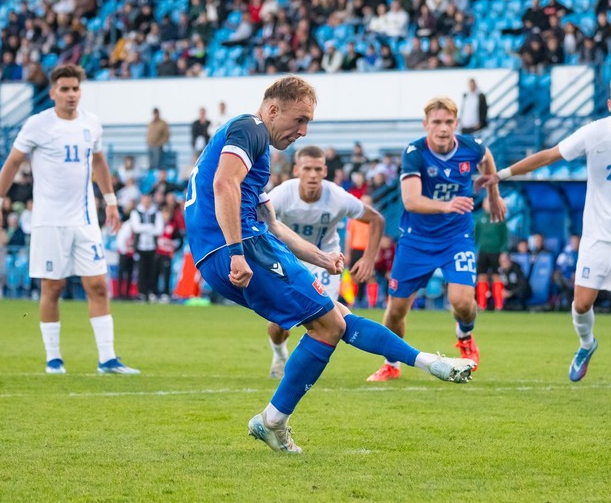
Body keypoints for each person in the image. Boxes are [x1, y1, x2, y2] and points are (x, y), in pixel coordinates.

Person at [182, 76, 475, 454]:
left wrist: (321, 258)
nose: (303, 132)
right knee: (329, 325)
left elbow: (274, 225)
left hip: (245, 245)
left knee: (334, 317)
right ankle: (273, 420)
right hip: (241, 248)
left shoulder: (256, 149)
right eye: (299, 120)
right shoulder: (249, 128)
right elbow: (225, 185)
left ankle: (426, 362)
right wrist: (236, 251)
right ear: (273, 110)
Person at [482, 77, 611, 384]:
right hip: (597, 233)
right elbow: (548, 155)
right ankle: (587, 344)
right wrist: (503, 175)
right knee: (581, 304)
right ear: (610, 105)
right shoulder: (594, 133)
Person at [0, 64, 138, 374]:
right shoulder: (38, 125)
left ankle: (107, 358)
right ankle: (54, 359)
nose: (71, 95)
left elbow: (98, 161)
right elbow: (13, 162)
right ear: (53, 92)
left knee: (97, 285)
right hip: (49, 222)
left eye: (75, 89)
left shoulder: (91, 124)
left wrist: (110, 202)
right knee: (52, 288)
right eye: (65, 89)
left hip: (84, 221)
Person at [365, 96, 507, 382]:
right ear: (425, 124)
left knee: (463, 301)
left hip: (457, 237)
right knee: (396, 310)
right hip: (417, 240)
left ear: (456, 123)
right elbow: (411, 200)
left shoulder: (471, 147)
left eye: (448, 122)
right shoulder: (415, 152)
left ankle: (465, 336)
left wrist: (494, 195)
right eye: (437, 122)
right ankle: (391, 364)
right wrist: (447, 205)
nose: (443, 129)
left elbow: (487, 158)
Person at [263, 145, 384, 379]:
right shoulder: (281, 195)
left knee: (327, 320)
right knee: (279, 326)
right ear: (296, 170)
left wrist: (369, 259)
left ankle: (298, 372)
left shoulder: (336, 196)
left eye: (318, 169)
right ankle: (279, 353)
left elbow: (376, 219)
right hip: (288, 260)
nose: (312, 174)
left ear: (325, 171)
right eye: (307, 168)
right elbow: (258, 221)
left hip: (325, 261)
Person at [474, 194, 509, 311]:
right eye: (486, 202)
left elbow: (505, 237)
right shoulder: (479, 219)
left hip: (496, 252)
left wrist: (504, 252)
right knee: (481, 277)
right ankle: (481, 304)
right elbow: (475, 236)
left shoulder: (500, 218)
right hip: (483, 251)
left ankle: (499, 305)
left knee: (496, 277)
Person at [146, 107, 170, 171]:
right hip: (150, 145)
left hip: (158, 147)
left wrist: (160, 143)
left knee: (156, 163)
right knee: (150, 163)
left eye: (156, 113)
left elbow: (166, 135)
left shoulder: (163, 123)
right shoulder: (151, 123)